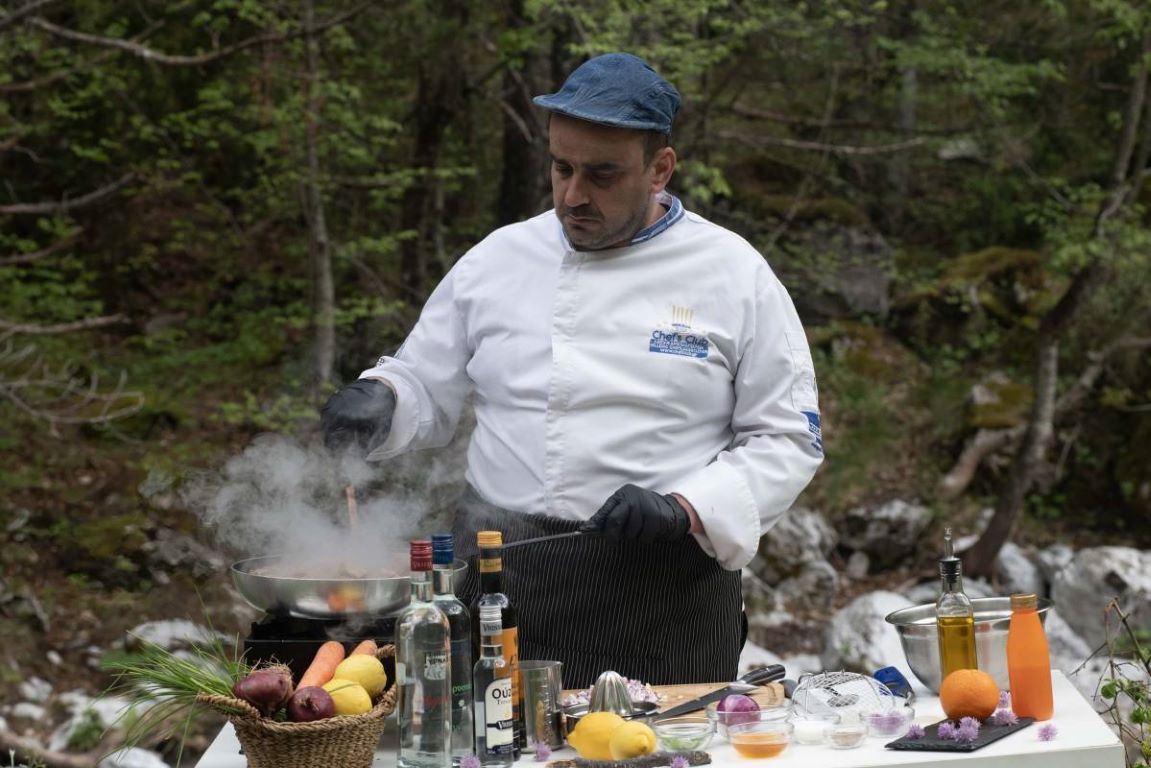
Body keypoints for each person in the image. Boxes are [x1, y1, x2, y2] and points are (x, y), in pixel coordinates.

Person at [321, 52, 823, 687]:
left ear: (660, 169)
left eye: (603, 174)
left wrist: (686, 507)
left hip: (661, 589)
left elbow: (788, 438)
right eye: (562, 168)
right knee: (492, 735)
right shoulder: (499, 258)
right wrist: (383, 395)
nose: (574, 196)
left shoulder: (734, 273)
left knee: (658, 741)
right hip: (499, 572)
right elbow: (423, 379)